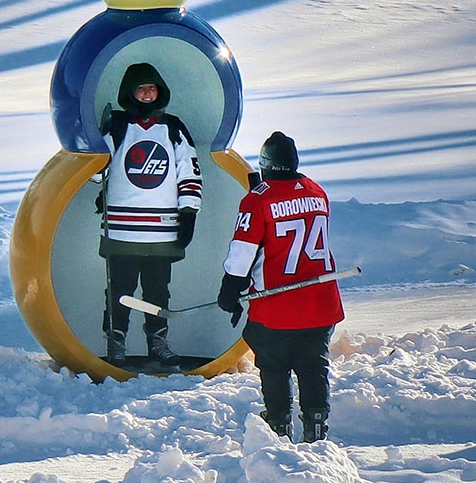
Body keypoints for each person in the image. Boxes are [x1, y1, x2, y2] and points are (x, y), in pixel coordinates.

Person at [217, 132, 343, 442]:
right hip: (321, 301)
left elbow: (243, 251)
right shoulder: (317, 190)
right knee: (313, 364)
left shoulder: (257, 198)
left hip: (278, 305)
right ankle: (316, 424)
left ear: (264, 165)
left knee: (274, 364)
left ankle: (278, 422)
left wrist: (231, 289)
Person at [98, 62, 202, 367]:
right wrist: (92, 139)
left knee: (158, 289)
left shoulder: (172, 127)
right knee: (120, 288)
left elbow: (190, 171)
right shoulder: (117, 127)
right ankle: (115, 340)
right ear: (130, 92)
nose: (146, 93)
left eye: (151, 87)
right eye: (141, 87)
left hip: (162, 228)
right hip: (122, 228)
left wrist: (189, 211)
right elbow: (94, 172)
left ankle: (157, 340)